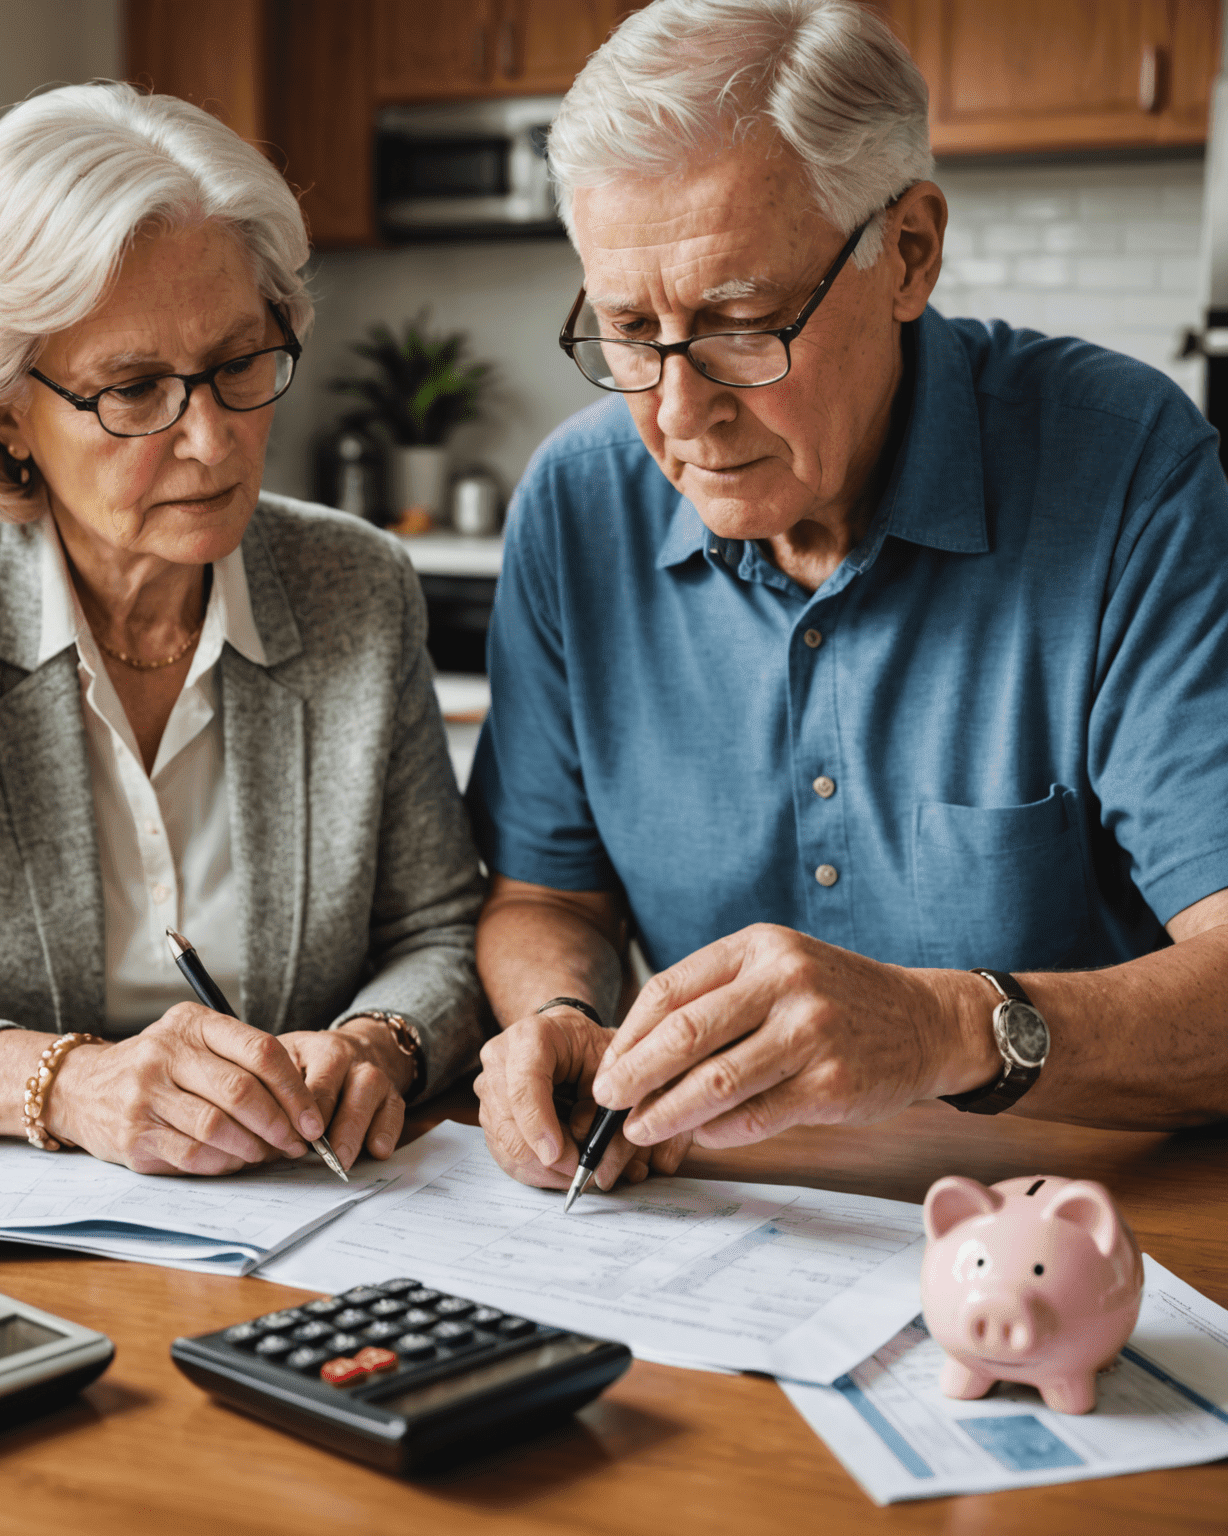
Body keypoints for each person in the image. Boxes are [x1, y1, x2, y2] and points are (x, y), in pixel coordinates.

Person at [469, 0, 1228, 1194]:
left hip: (1070, 1221)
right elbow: (541, 894)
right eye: (629, 331)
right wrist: (561, 1012)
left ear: (909, 253)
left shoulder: (1126, 467)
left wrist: (943, 1030)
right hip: (723, 1214)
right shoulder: (577, 499)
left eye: (739, 323)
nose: (677, 414)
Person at [0, 84, 484, 1176]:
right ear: (6, 412)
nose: (211, 440)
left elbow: (441, 936)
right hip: (12, 1245)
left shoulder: (357, 584)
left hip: (312, 1218)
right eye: (134, 389)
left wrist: (378, 1045)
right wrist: (62, 1084)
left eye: (240, 362)